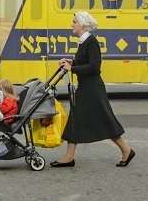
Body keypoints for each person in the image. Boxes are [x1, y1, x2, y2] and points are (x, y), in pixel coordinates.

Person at [52, 11, 135, 168]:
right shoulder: (84, 42)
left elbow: (94, 67)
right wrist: (72, 62)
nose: (72, 24)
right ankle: (69, 157)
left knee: (104, 120)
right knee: (75, 119)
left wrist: (72, 68)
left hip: (93, 90)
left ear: (82, 25)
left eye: (74, 21)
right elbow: (85, 61)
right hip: (86, 88)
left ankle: (126, 150)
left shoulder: (91, 42)